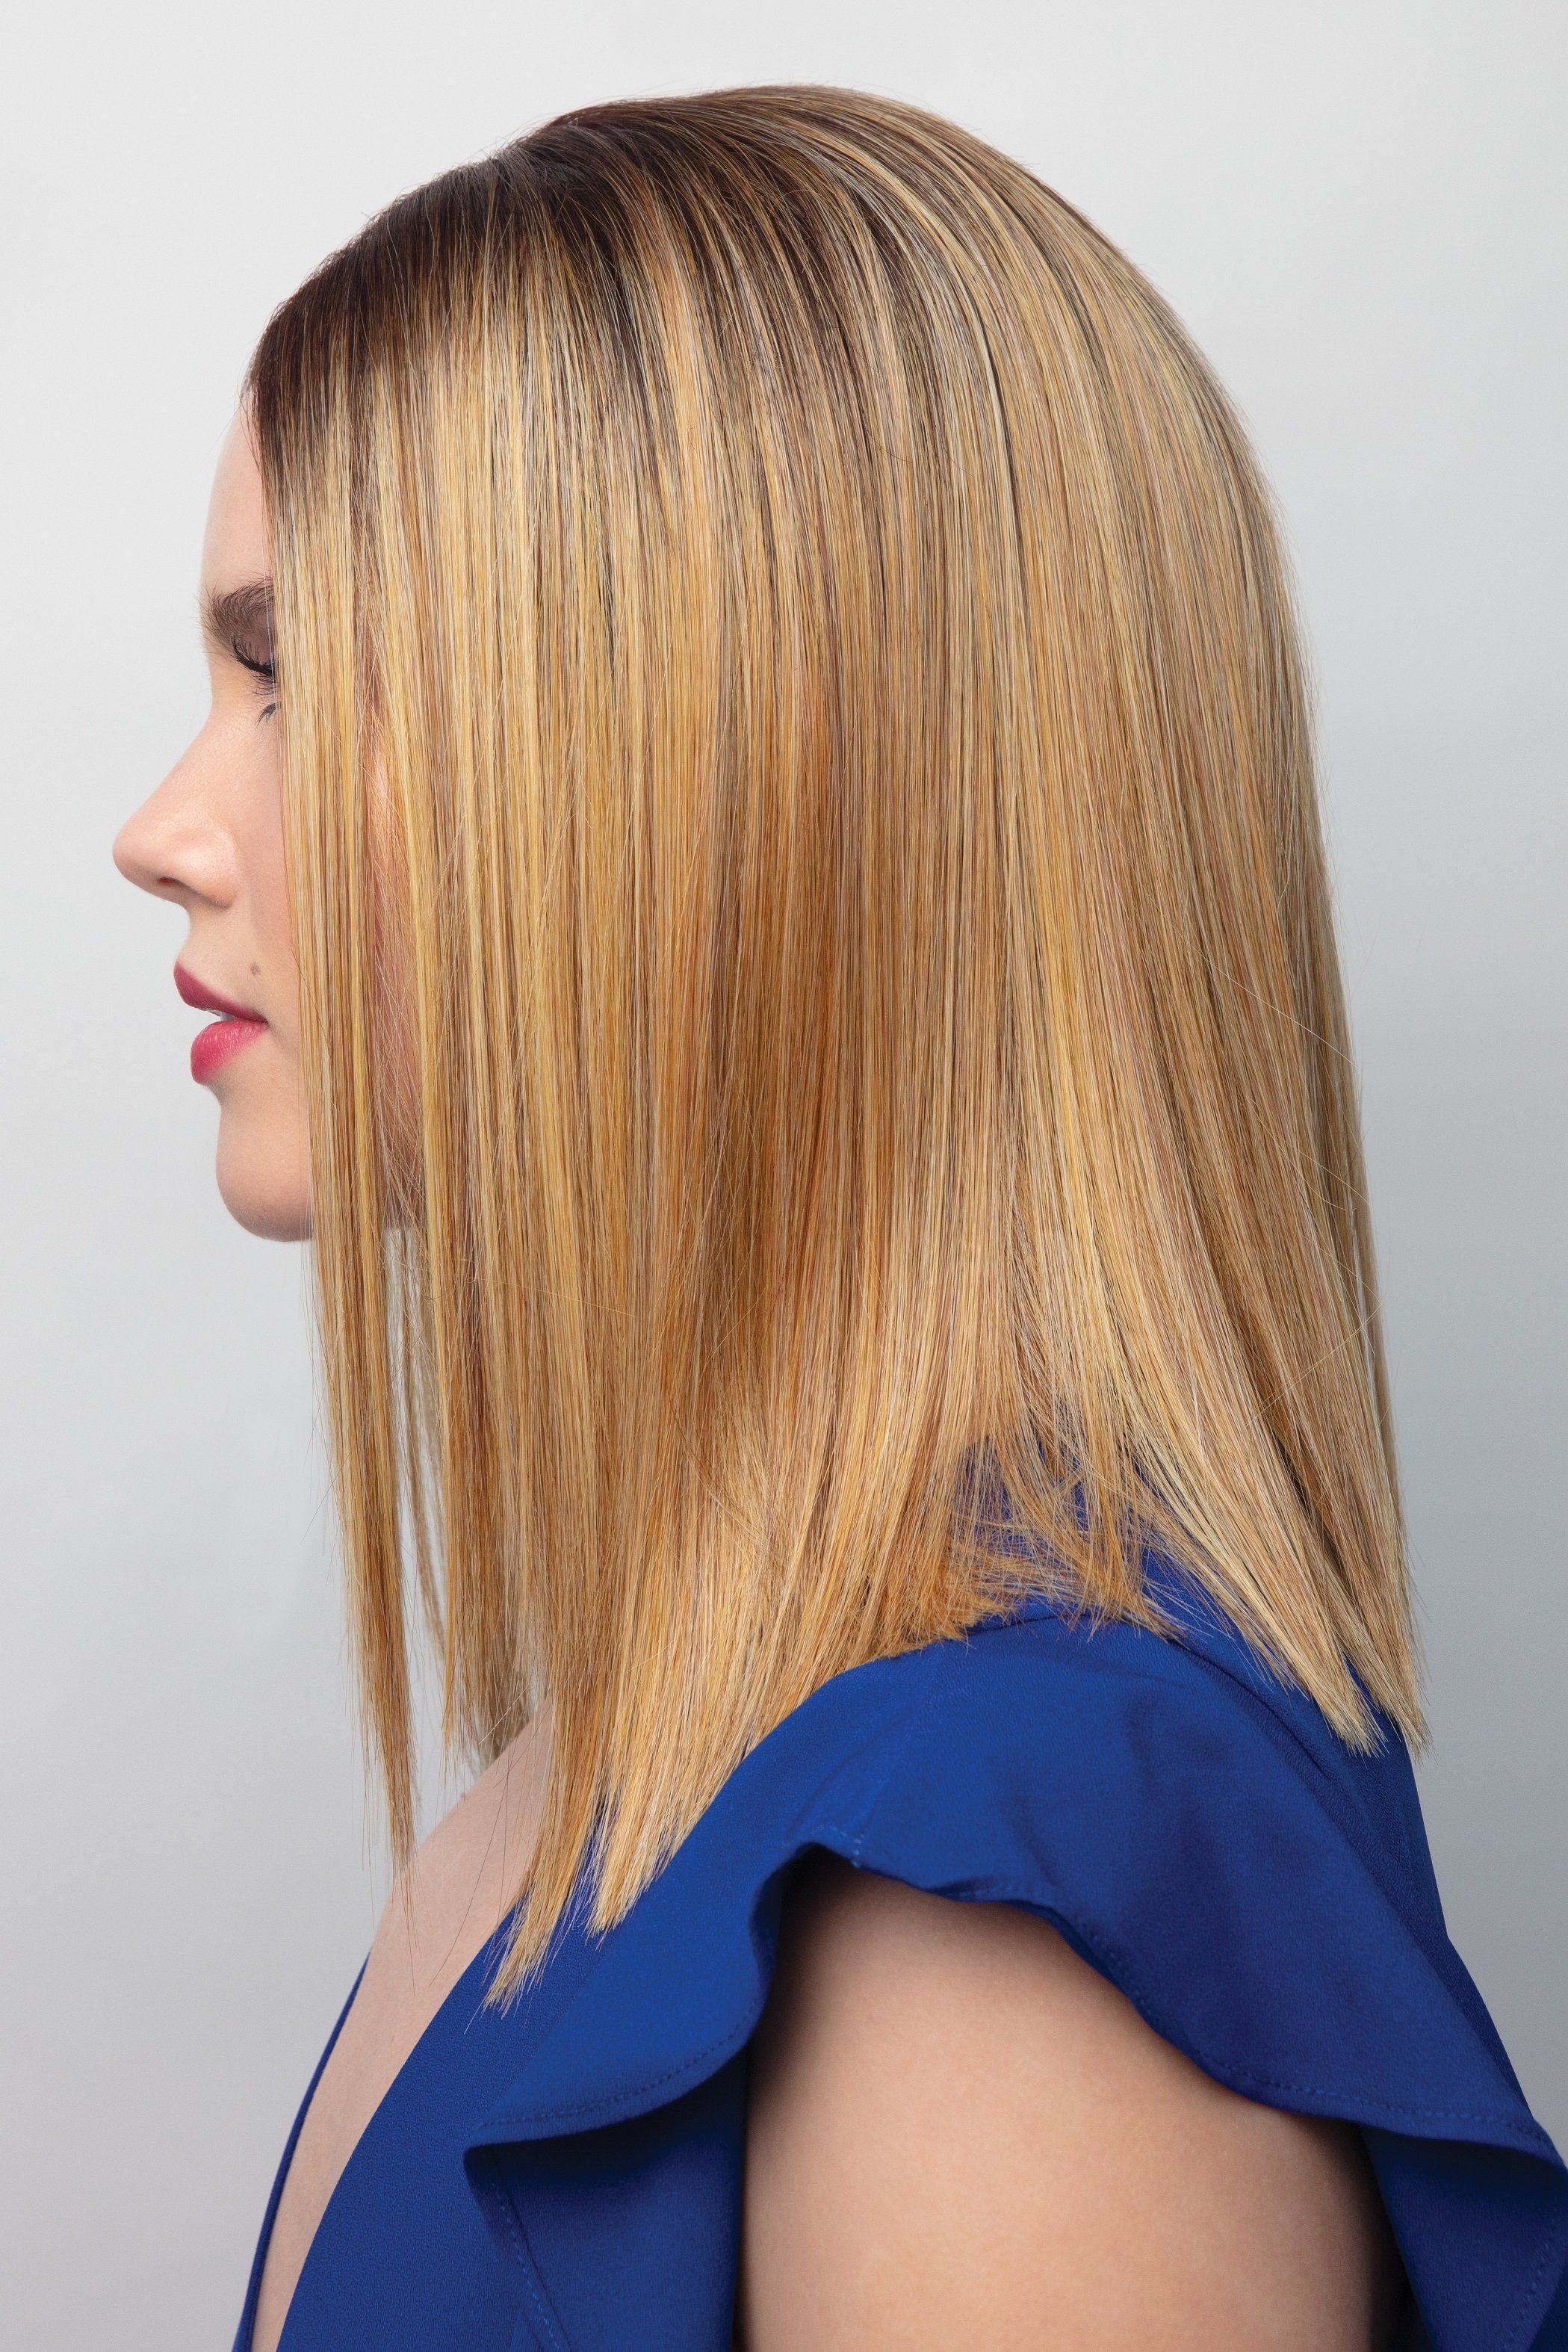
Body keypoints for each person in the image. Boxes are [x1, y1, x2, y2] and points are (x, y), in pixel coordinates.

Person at [112, 83, 1566, 2352]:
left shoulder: (982, 1919)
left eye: (302, 672)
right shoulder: (638, 1776)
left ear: (742, 772)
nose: (164, 830)